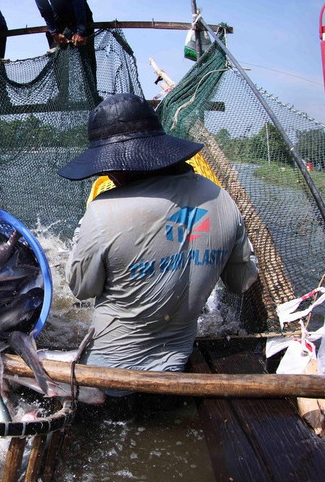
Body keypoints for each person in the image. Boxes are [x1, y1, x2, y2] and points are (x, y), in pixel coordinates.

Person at [59, 93, 258, 380]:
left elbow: (81, 288)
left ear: (118, 164)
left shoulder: (102, 211)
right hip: (177, 363)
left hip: (109, 375)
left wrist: (84, 232)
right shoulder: (222, 199)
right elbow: (241, 282)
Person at [27, 0, 96, 91]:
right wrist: (54, 31)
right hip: (57, 13)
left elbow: (78, 0)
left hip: (80, 11)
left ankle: (92, 91)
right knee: (58, 57)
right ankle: (63, 94)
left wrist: (81, 31)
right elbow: (44, 8)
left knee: (87, 58)